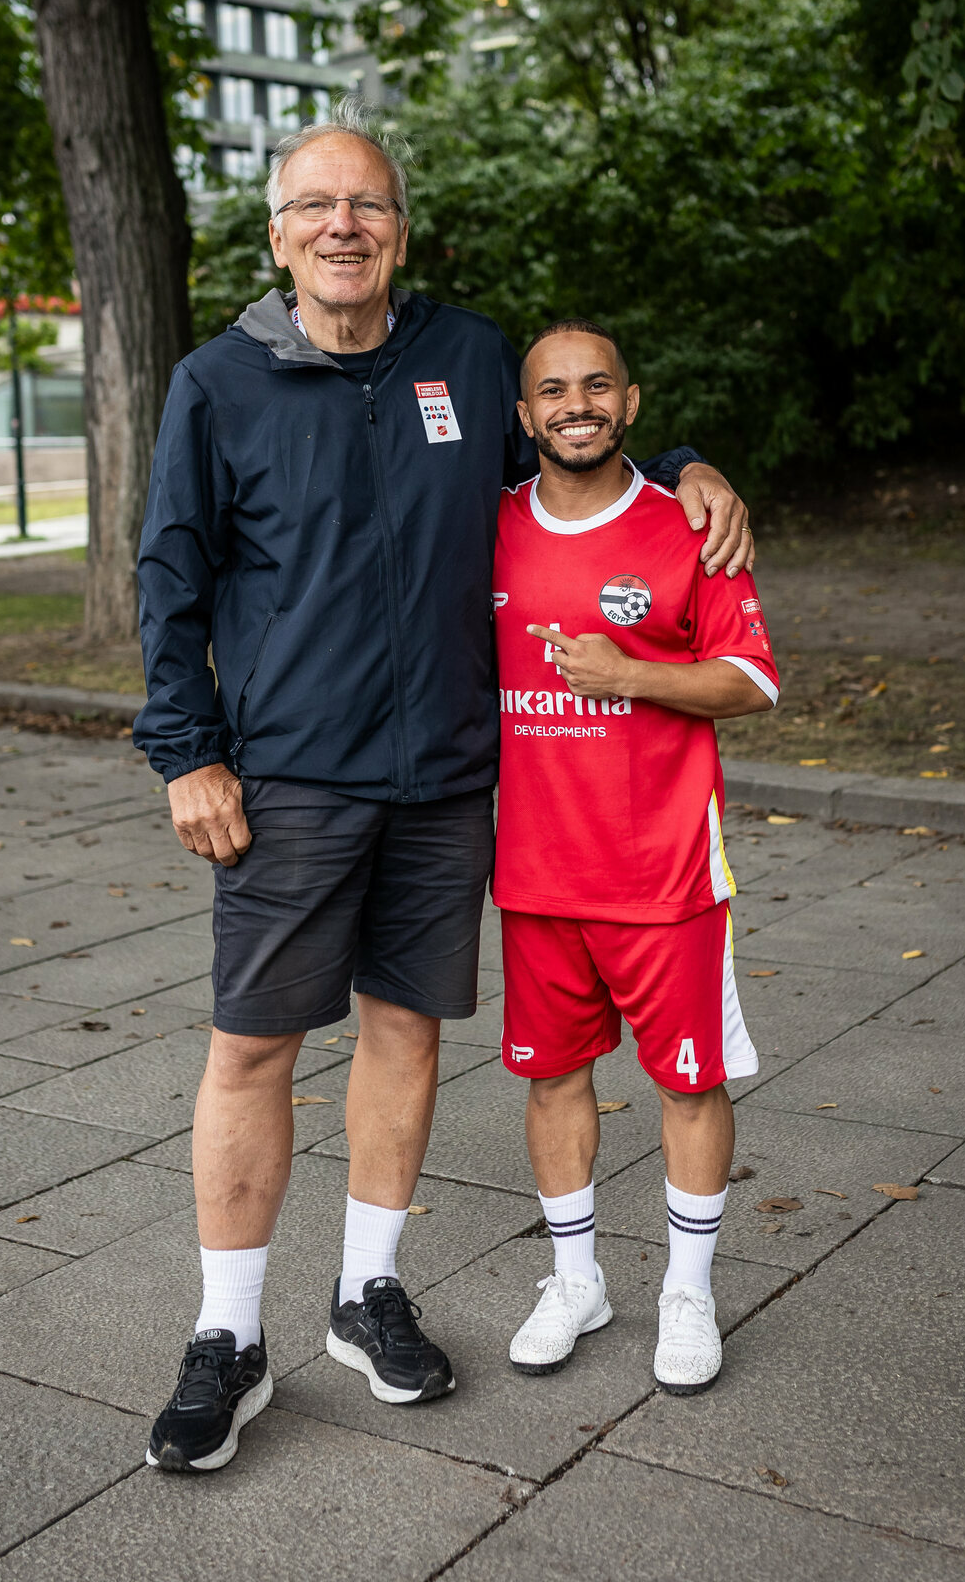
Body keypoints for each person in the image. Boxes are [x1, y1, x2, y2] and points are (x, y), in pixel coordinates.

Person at [133, 103, 755, 1472]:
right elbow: (168, 580)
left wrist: (692, 457)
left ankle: (368, 1293)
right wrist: (187, 752)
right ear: (280, 234)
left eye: (369, 206)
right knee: (254, 1047)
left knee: (406, 1033)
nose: (344, 226)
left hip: (444, 783)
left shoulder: (465, 357)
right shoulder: (216, 385)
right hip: (286, 779)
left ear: (399, 230)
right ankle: (227, 1339)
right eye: (316, 208)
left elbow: (576, 429)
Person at [491, 318, 778, 1395]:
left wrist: (634, 674)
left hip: (663, 874)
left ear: (631, 404)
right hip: (532, 872)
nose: (576, 404)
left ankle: (687, 1293)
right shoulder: (488, 527)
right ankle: (576, 1282)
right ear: (522, 417)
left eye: (596, 386)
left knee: (687, 1085)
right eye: (553, 389)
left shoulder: (686, 526)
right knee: (552, 1078)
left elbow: (750, 681)